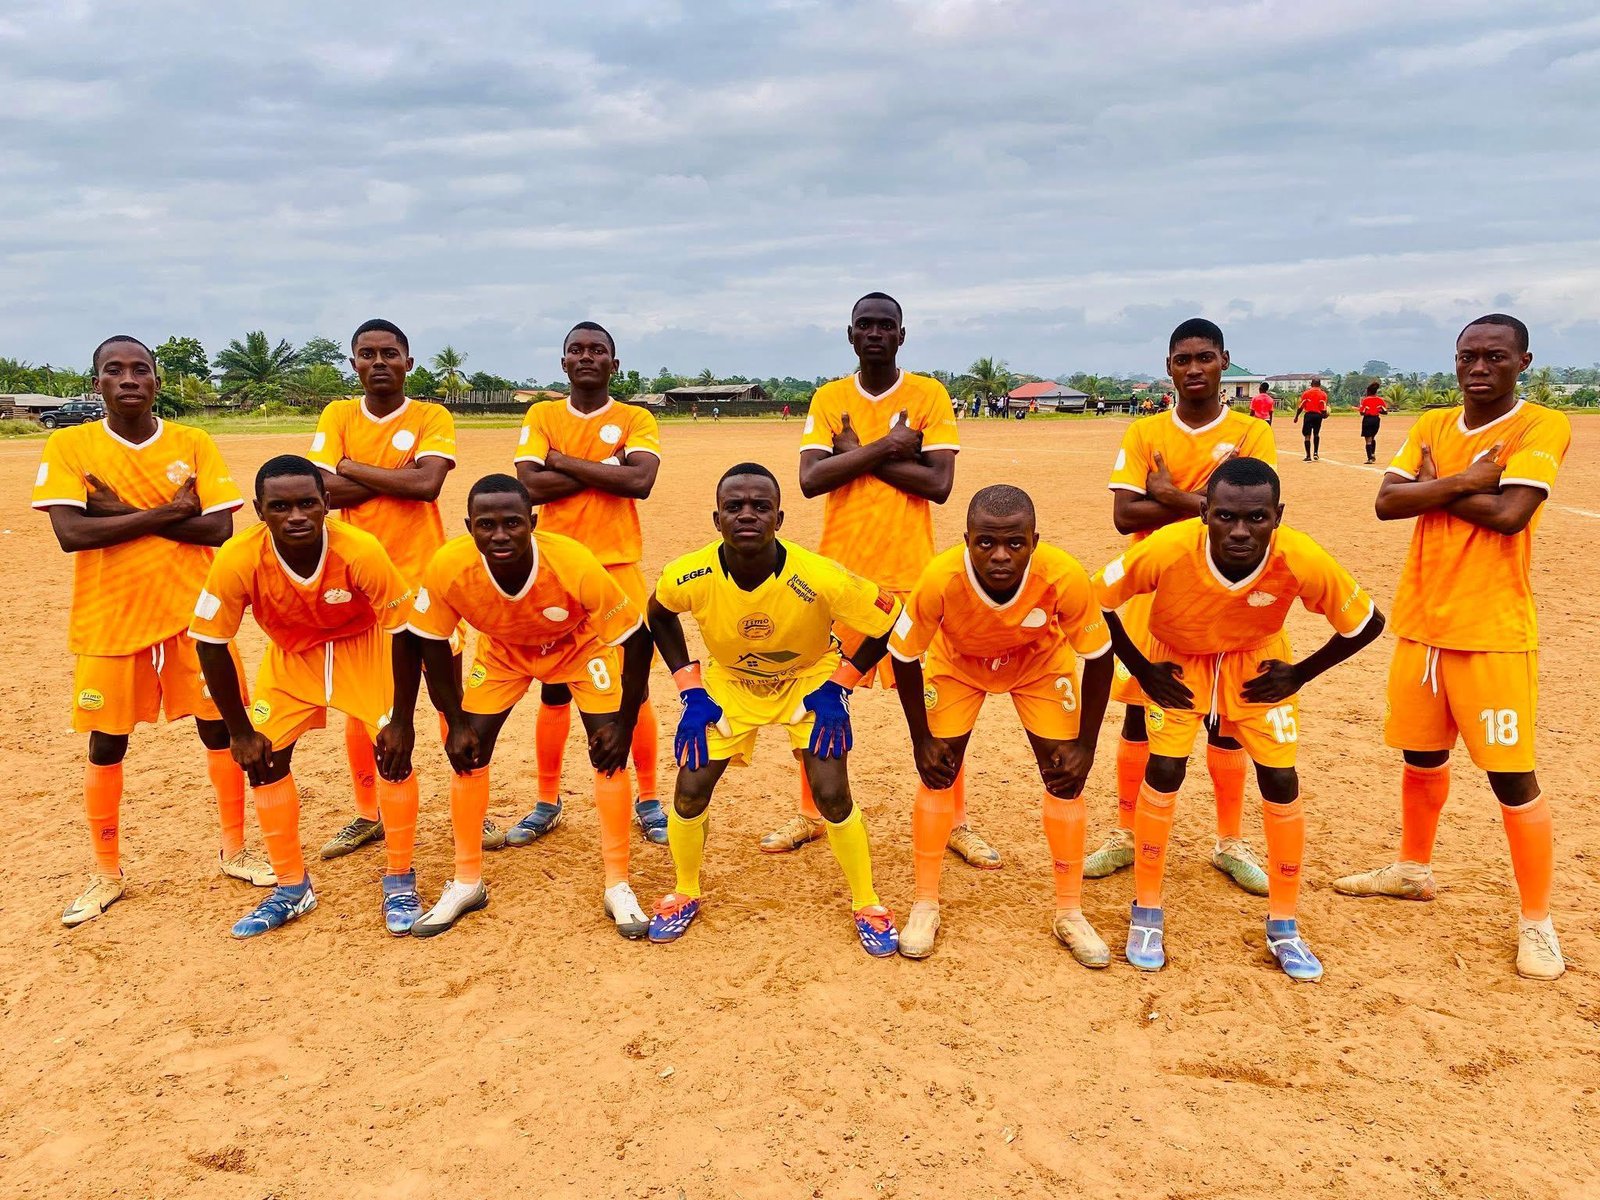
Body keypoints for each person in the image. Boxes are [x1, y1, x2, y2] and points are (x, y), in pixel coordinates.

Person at [1333, 314, 1572, 980]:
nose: (1479, 367)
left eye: (1495, 356)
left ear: (1523, 361)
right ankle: (1413, 869)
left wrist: (1430, 489)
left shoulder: (1539, 425)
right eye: (1468, 356)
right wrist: (1470, 480)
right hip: (1421, 623)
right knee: (1421, 754)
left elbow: (1511, 515)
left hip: (1491, 632)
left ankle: (1537, 921)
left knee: (1511, 776)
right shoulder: (1435, 423)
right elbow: (1387, 503)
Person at [1094, 458, 1385, 980]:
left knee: (1281, 779)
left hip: (1257, 665)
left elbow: (1367, 622)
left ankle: (1284, 924)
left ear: (1278, 516)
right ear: (1204, 512)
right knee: (1165, 770)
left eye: (1257, 518)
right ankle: (1147, 911)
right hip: (1179, 663)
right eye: (1226, 516)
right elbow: (1094, 600)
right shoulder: (1167, 547)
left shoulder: (1300, 557)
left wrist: (1299, 674)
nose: (1241, 531)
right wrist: (1142, 669)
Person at [33, 335, 271, 926]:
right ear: (97, 383)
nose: (128, 378)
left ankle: (235, 850)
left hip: (195, 617)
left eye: (140, 369)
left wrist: (115, 512)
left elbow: (218, 530)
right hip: (110, 618)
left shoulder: (193, 441)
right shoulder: (70, 444)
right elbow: (72, 534)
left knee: (220, 731)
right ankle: (106, 872)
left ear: (157, 382)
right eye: (114, 370)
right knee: (106, 742)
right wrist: (172, 510)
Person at [646, 463, 903, 956]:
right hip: (730, 682)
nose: (747, 514)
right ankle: (684, 891)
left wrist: (841, 684)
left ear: (779, 518)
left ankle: (867, 902)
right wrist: (690, 689)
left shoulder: (820, 575)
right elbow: (658, 613)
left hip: (808, 680)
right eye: (734, 506)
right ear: (717, 518)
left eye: (760, 506)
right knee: (689, 790)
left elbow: (892, 619)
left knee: (831, 794)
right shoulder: (688, 573)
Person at [384, 474, 655, 938]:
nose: (500, 535)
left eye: (512, 523)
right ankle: (467, 880)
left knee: (608, 754)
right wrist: (454, 721)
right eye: (486, 525)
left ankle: (618, 884)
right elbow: (423, 640)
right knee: (468, 753)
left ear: (532, 521)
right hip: (504, 653)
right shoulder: (449, 566)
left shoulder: (573, 562)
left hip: (577, 648)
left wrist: (625, 723)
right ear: (469, 526)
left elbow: (637, 639)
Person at [783, 292, 995, 866]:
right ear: (850, 334)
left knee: (936, 703)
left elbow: (939, 485)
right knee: (819, 697)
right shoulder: (829, 398)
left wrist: (857, 455)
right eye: (865, 325)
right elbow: (811, 480)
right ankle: (810, 812)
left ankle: (954, 819)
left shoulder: (929, 395)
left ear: (902, 335)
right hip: (839, 578)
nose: (875, 333)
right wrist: (894, 447)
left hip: (911, 577)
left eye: (886, 325)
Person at [190, 456, 424, 938]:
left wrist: (402, 718)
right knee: (263, 760)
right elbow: (210, 643)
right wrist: (239, 731)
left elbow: (404, 633)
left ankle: (400, 878)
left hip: (365, 649)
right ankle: (292, 887)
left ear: (326, 503)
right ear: (259, 510)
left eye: (307, 503)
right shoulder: (238, 557)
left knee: (392, 755)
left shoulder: (360, 549)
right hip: (291, 658)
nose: (295, 516)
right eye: (280, 506)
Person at [1086, 317, 1278, 893]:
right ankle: (1125, 832)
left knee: (1225, 717)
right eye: (1183, 359)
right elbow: (1126, 516)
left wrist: (1167, 494)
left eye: (1205, 357)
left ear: (1224, 360)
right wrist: (1206, 501)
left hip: (1227, 593)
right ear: (1168, 367)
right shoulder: (1145, 432)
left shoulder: (1253, 433)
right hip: (1154, 594)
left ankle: (1230, 841)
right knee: (1140, 709)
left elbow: (1250, 514)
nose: (1194, 368)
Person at [889, 486, 1115, 964]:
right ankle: (925, 904)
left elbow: (1099, 656)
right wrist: (921, 739)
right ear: (966, 540)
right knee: (938, 772)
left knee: (1065, 776)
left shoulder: (1063, 575)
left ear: (1035, 541)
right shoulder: (940, 578)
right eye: (985, 542)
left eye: (1015, 543)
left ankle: (1070, 912)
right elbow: (903, 655)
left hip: (1038, 665)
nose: (999, 555)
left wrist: (1087, 746)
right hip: (958, 666)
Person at [307, 319, 477, 858]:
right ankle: (368, 813)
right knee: (366, 707)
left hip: (426, 580)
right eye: (367, 354)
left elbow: (427, 485)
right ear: (353, 363)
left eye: (389, 353)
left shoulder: (431, 415)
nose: (378, 362)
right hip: (360, 582)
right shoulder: (338, 414)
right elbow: (322, 493)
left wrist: (350, 467)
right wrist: (394, 474)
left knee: (449, 699)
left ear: (409, 362)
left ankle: (471, 805)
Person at [513, 323, 666, 847]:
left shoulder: (636, 417)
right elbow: (529, 486)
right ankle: (546, 800)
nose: (586, 356)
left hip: (617, 569)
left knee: (634, 691)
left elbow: (640, 481)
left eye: (597, 350)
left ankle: (649, 799)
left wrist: (560, 461)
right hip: (555, 571)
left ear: (613, 364)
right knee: (554, 688)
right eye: (575, 350)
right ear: (563, 362)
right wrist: (605, 467)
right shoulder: (542, 415)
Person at [1294, 378, 1330, 461]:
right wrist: (1324, 415)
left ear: (1311, 384)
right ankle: (1316, 453)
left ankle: (1308, 456)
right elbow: (1323, 407)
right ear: (1319, 384)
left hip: (1309, 415)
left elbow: (1301, 407)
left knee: (1307, 436)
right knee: (1316, 434)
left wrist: (1296, 416)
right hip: (1318, 416)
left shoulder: (1306, 393)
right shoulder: (1323, 394)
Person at [1357, 381, 1389, 464]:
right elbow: (1385, 412)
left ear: (1369, 391)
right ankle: (1373, 454)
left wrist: (1367, 410)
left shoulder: (1365, 400)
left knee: (1368, 440)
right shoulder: (1380, 400)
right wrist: (1377, 410)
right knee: (1372, 437)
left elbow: (1362, 412)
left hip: (1368, 420)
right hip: (1376, 420)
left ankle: (1370, 458)